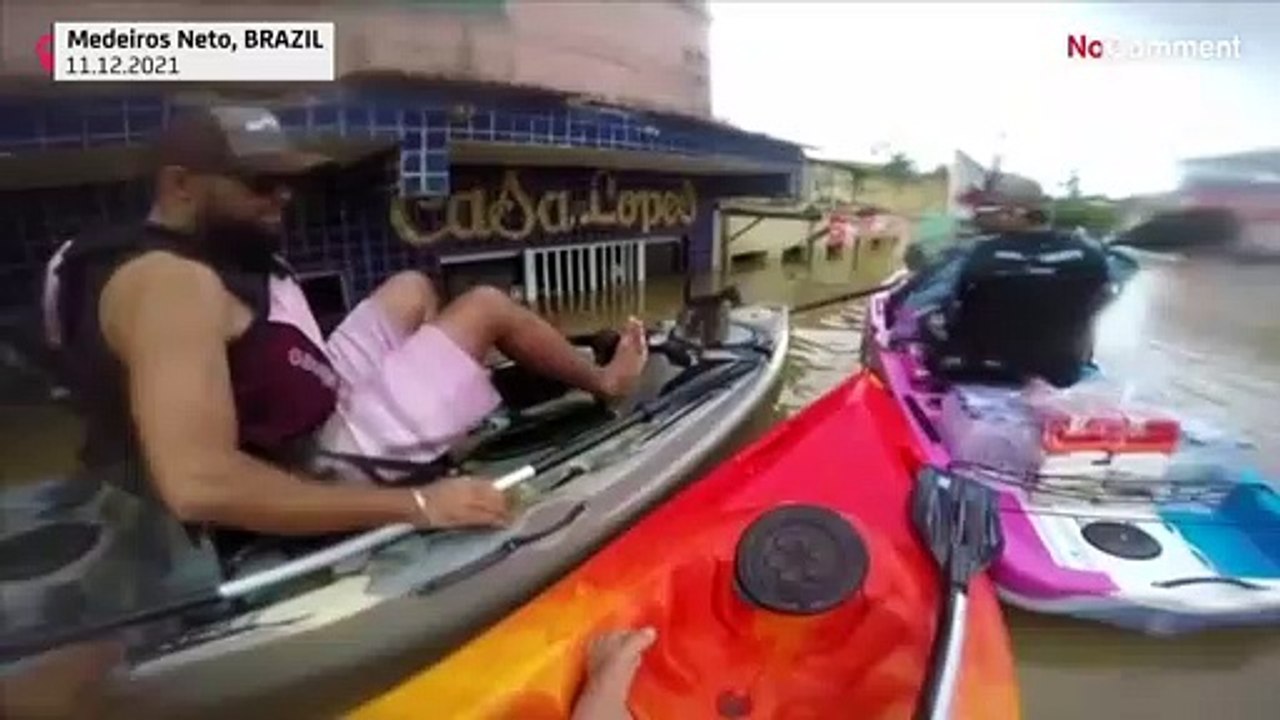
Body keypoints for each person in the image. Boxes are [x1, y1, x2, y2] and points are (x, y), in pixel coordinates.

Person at [49, 105, 649, 537]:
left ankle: (439, 411)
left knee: (412, 287)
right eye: (262, 185)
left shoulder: (180, 252)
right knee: (487, 305)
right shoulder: (167, 284)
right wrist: (417, 502)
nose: (282, 199)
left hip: (310, 390)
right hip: (315, 458)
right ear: (180, 185)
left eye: (289, 184)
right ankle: (605, 383)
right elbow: (202, 483)